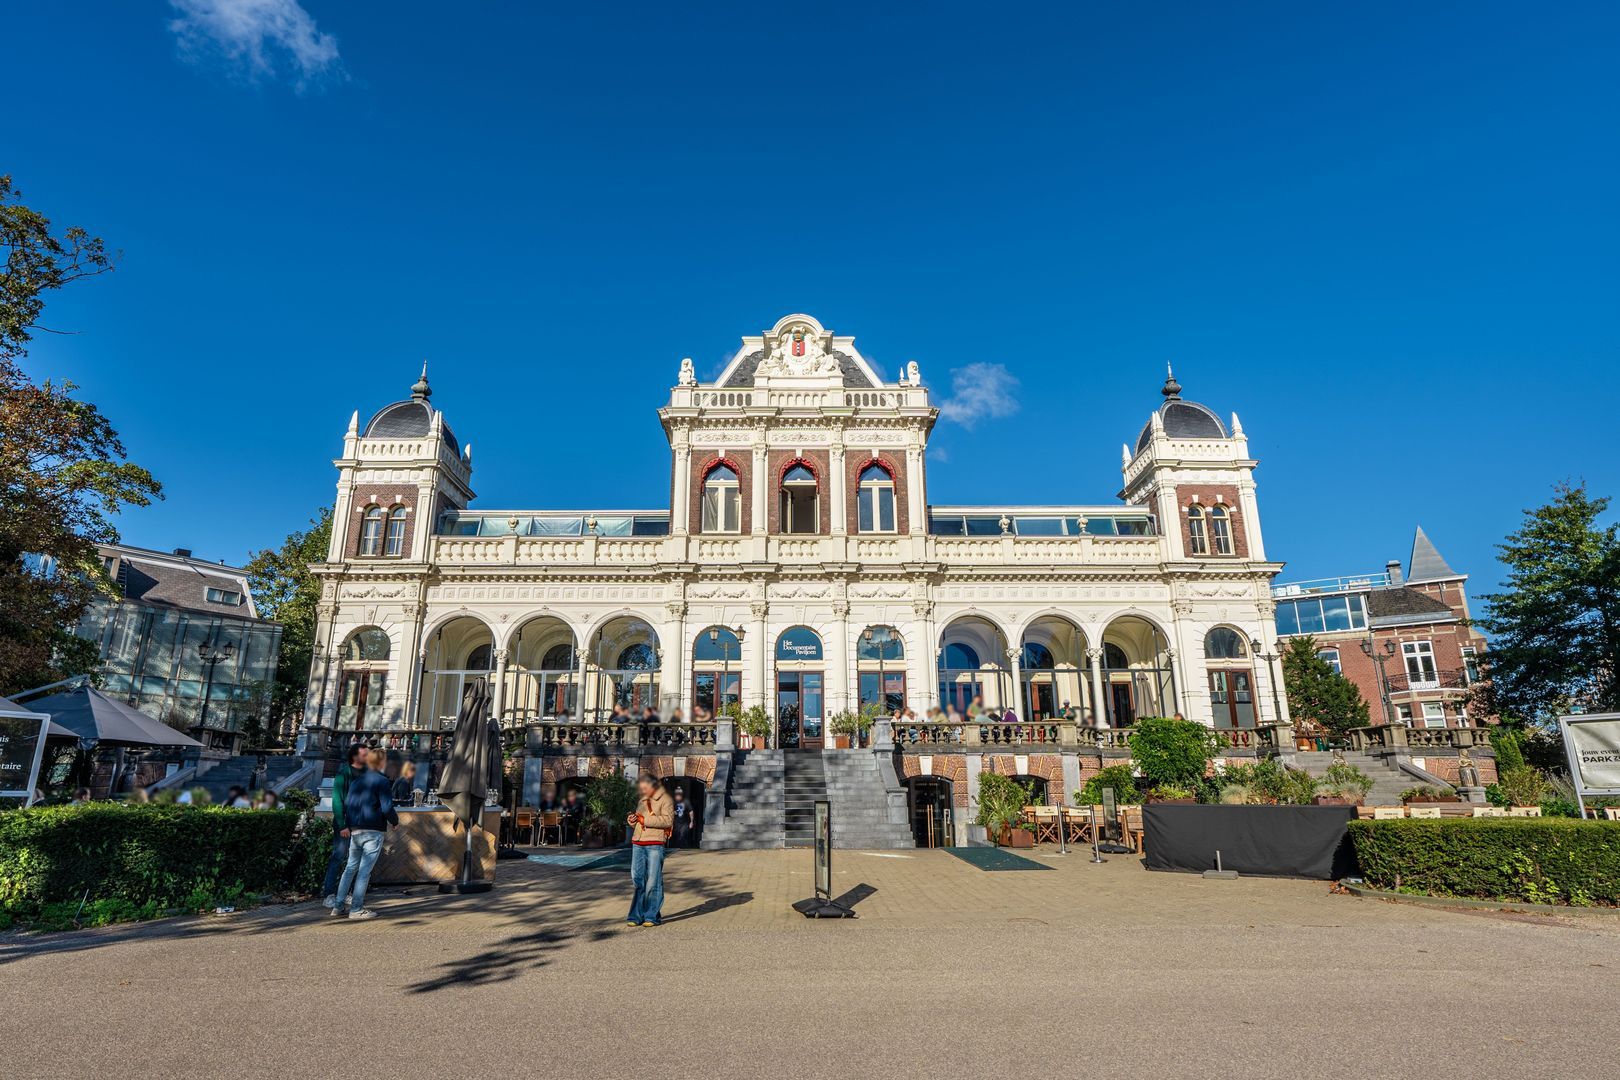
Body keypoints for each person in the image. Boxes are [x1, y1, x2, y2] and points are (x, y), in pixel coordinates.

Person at [331, 748, 398, 920]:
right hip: (373, 829)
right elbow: (387, 807)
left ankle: (338, 906)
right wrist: (395, 821)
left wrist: (348, 825)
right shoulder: (382, 781)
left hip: (356, 830)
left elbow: (348, 804)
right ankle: (356, 908)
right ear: (381, 762)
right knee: (364, 871)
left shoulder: (357, 781)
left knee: (350, 868)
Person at [625, 772, 674, 927]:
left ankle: (651, 916)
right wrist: (632, 821)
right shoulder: (642, 800)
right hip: (638, 842)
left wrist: (644, 819)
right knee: (637, 879)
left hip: (654, 843)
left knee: (653, 881)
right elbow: (639, 821)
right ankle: (636, 915)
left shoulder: (666, 799)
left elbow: (667, 821)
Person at [322, 745, 368, 908]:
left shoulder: (367, 773)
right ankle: (329, 893)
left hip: (362, 823)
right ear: (355, 757)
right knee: (339, 856)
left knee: (357, 859)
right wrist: (342, 825)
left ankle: (348, 893)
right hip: (346, 823)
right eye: (364, 754)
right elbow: (337, 800)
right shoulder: (344, 773)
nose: (367, 757)